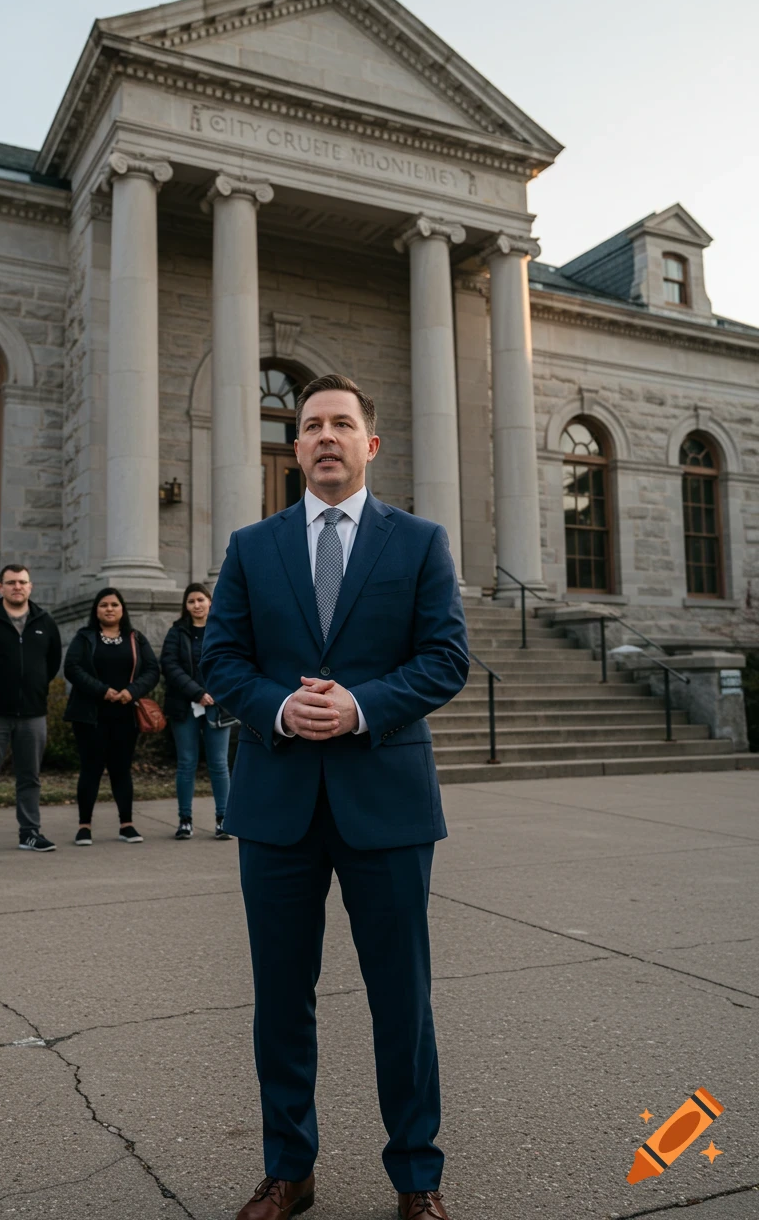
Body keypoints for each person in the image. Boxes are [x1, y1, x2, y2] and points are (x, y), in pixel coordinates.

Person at [202, 374, 469, 1220]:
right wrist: (280, 707)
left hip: (385, 801)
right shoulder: (252, 546)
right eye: (310, 424)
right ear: (296, 445)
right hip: (278, 802)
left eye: (341, 424)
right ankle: (290, 1169)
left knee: (403, 999)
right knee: (282, 999)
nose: (324, 436)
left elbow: (445, 657)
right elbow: (220, 659)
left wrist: (362, 705)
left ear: (370, 444)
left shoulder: (420, 542)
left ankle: (416, 1180)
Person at [0, 564, 63, 856]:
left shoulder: (46, 622)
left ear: (30, 587)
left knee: (30, 777)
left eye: (22, 582)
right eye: (11, 582)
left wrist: (36, 689)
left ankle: (30, 833)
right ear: (0, 587)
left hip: (33, 714)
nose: (17, 587)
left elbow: (52, 662)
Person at [63, 588, 160, 845]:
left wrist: (131, 691)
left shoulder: (135, 638)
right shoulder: (84, 637)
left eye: (114, 605)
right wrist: (102, 691)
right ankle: (84, 827)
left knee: (121, 770)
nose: (109, 609)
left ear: (122, 609)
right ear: (96, 610)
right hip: (90, 715)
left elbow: (152, 669)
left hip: (125, 715)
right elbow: (71, 668)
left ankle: (126, 825)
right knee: (90, 770)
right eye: (104, 605)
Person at [161, 583, 235, 842]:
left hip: (218, 706)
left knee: (218, 764)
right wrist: (197, 693)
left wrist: (215, 692)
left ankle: (223, 820)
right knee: (186, 763)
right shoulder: (176, 632)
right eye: (191, 601)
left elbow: (232, 661)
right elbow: (170, 666)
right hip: (185, 707)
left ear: (210, 602)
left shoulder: (222, 630)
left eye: (201, 600)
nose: (196, 605)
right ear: (186, 605)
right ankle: (185, 820)